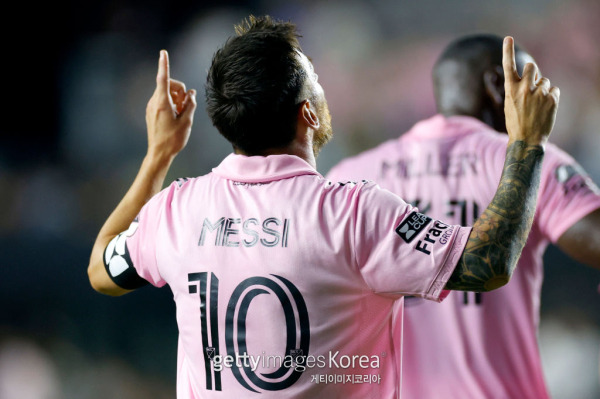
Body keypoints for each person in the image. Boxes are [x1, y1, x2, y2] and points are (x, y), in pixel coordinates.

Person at [87, 17, 559, 398]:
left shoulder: (175, 209)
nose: (322, 85)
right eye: (314, 76)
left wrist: (158, 157)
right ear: (307, 112)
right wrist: (526, 143)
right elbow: (486, 261)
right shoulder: (352, 212)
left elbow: (101, 269)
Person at [327, 34, 599, 399]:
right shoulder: (527, 159)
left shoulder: (350, 176)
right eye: (533, 85)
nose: (543, 99)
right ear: (496, 84)